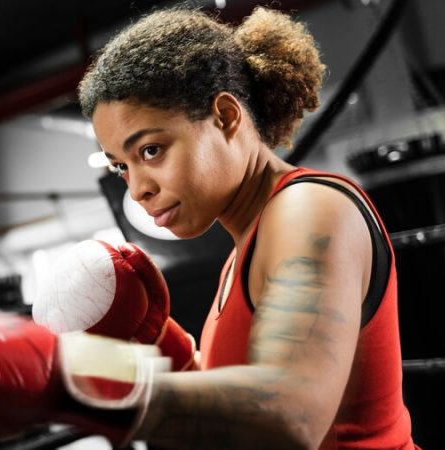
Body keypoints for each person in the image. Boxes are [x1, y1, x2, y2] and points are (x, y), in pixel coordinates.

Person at [74, 6, 418, 449]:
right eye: (121, 166)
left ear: (225, 116)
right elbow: (238, 411)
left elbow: (287, 418)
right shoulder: (242, 252)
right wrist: (165, 348)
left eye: (152, 150)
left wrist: (67, 382)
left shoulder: (307, 208)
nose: (138, 189)